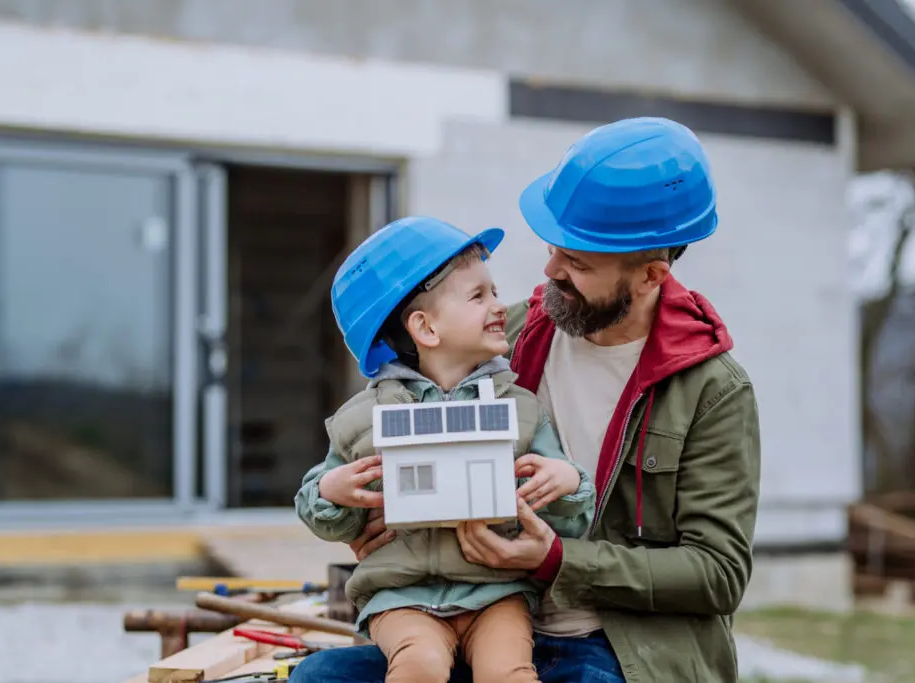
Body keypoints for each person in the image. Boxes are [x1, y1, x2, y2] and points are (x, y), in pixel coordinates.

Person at [292, 117, 762, 683]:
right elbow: (385, 417)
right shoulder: (503, 336)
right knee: (318, 678)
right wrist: (368, 518)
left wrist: (556, 561)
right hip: (469, 617)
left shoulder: (712, 390)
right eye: (554, 247)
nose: (549, 271)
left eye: (579, 262)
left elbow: (717, 574)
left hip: (618, 644)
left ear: (651, 274)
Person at [294, 215, 596, 683]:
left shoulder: (521, 409)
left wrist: (568, 482)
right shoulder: (362, 420)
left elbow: (568, 512)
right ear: (426, 329)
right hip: (401, 598)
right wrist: (330, 491)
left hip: (498, 595)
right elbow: (332, 512)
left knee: (509, 673)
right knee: (419, 666)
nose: (499, 306)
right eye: (479, 296)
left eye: (494, 291)